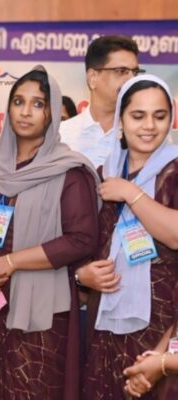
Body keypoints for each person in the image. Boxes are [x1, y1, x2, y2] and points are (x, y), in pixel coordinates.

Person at [0, 66, 99, 400]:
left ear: (52, 112)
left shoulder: (69, 170)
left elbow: (81, 239)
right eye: (19, 101)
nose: (25, 111)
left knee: (38, 387)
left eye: (38, 104)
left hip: (45, 307)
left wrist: (12, 262)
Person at [79, 75, 178, 399]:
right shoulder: (103, 174)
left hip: (163, 324)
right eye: (138, 116)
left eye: (159, 116)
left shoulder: (174, 169)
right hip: (104, 321)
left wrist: (132, 194)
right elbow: (84, 243)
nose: (149, 126)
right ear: (120, 120)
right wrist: (83, 276)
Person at [60, 35, 142, 167]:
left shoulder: (146, 134)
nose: (132, 80)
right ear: (92, 78)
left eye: (135, 73)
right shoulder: (61, 135)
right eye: (121, 71)